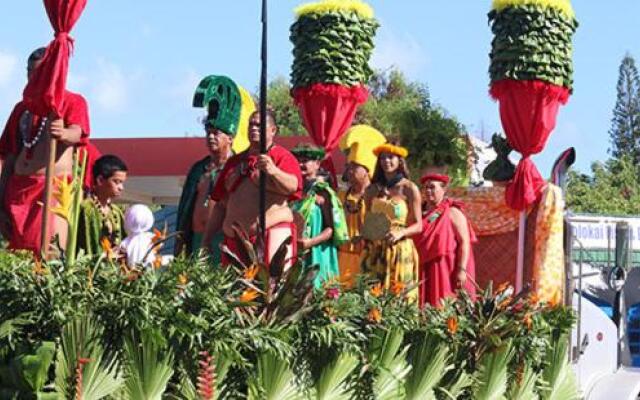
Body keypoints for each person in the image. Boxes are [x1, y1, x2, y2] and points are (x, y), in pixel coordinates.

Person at [0, 47, 90, 254]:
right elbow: (9, 156)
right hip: (18, 191)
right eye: (29, 71)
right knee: (18, 256)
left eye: (38, 73)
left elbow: (78, 133)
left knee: (46, 252)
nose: (32, 77)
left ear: (53, 73)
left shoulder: (73, 101)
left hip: (50, 190)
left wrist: (64, 133)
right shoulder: (21, 108)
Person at [203, 109, 302, 269]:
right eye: (251, 124)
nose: (253, 128)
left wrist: (273, 171)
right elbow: (221, 205)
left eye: (259, 125)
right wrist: (206, 240)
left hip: (270, 235)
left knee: (270, 289)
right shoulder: (234, 162)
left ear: (273, 130)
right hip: (234, 240)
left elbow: (293, 186)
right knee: (234, 292)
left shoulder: (282, 156)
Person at [361, 142, 422, 299]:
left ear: (400, 161)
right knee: (372, 297)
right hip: (375, 250)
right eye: (382, 158)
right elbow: (368, 218)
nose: (386, 161)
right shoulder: (372, 190)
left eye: (390, 157)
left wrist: (401, 232)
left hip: (399, 248)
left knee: (399, 297)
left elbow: (419, 225)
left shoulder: (409, 188)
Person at [413, 173, 477, 307]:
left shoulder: (453, 212)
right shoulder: (419, 213)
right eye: (425, 188)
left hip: (447, 269)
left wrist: (462, 270)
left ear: (444, 189)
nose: (428, 191)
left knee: (444, 305)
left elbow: (464, 242)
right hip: (423, 266)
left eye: (432, 187)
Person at [291, 144, 348, 288]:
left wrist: (310, 242)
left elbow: (331, 229)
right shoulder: (292, 190)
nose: (301, 164)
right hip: (296, 254)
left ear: (317, 164)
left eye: (306, 160)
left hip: (318, 253)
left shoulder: (323, 192)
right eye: (298, 160)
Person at [337, 125, 385, 287]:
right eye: (348, 166)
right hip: (342, 258)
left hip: (369, 260)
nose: (349, 170)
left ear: (367, 170)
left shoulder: (380, 197)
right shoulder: (341, 196)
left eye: (354, 166)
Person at [76, 155, 127, 257]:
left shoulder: (116, 212)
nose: (121, 187)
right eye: (116, 182)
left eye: (122, 182)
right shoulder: (86, 208)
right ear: (100, 180)